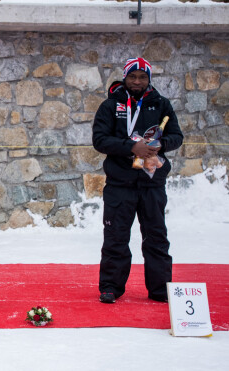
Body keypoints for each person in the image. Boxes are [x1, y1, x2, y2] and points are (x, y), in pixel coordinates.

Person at [92, 58, 183, 304]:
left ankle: (161, 289)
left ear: (148, 80)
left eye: (142, 77)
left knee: (156, 237)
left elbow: (177, 137)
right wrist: (133, 147)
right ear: (125, 77)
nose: (137, 81)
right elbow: (100, 140)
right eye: (133, 77)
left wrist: (160, 144)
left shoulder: (161, 104)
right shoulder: (111, 106)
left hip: (152, 183)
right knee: (116, 237)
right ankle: (110, 287)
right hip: (120, 184)